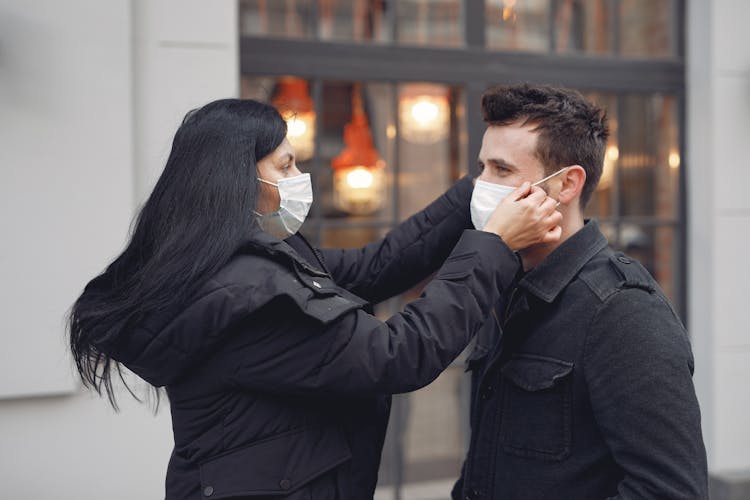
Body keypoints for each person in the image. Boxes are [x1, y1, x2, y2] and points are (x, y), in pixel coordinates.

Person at [68, 98, 562, 500]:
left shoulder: (242, 261)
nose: (301, 176)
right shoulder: (248, 298)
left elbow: (376, 266)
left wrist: (481, 190)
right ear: (239, 178)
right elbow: (398, 355)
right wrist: (492, 246)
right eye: (286, 165)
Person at [452, 84, 708, 500]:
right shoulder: (503, 284)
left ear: (567, 184)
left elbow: (670, 492)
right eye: (482, 168)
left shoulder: (623, 312)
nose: (481, 186)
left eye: (501, 170)